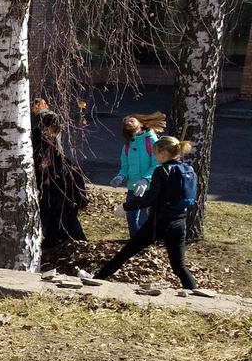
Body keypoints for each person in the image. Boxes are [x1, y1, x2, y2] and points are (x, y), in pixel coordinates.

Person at [85, 136, 197, 290]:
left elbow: (149, 199)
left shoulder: (161, 170)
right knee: (179, 266)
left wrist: (125, 207)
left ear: (163, 153)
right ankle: (194, 293)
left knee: (125, 253)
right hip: (179, 222)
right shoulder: (188, 169)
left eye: (155, 153)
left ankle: (96, 280)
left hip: (159, 222)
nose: (154, 157)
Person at [33, 106, 88, 246]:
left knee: (64, 209)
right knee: (51, 211)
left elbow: (58, 157)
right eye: (51, 131)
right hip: (47, 182)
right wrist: (42, 175)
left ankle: (69, 236)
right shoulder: (37, 141)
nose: (53, 134)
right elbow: (35, 164)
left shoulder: (52, 139)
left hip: (57, 181)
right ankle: (55, 236)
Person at [111, 111, 165, 237]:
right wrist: (120, 176)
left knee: (143, 219)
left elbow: (156, 165)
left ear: (141, 123)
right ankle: (134, 242)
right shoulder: (127, 146)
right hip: (132, 188)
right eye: (126, 122)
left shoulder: (151, 140)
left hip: (149, 188)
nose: (128, 123)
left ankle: (144, 243)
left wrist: (146, 180)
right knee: (131, 217)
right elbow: (125, 167)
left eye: (131, 120)